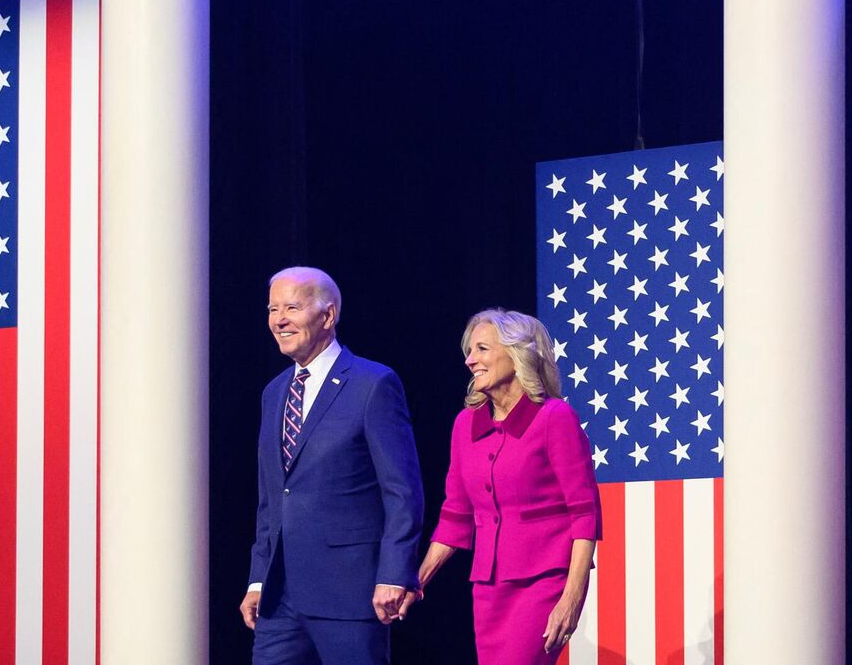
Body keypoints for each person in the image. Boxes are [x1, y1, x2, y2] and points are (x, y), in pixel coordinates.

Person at [239, 267, 424, 664]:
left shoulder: (372, 384)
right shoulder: (274, 393)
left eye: (291, 307)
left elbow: (402, 491)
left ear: (328, 315)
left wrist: (394, 572)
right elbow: (271, 499)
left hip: (350, 593)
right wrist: (258, 579)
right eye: (273, 309)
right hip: (279, 599)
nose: (279, 320)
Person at [415, 308, 601, 664]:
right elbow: (455, 516)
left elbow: (584, 512)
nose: (470, 361)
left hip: (543, 583)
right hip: (488, 590)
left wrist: (572, 597)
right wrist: (416, 580)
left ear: (518, 355)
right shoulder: (465, 424)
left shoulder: (554, 418)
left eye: (482, 349)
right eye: (469, 352)